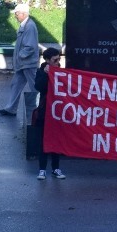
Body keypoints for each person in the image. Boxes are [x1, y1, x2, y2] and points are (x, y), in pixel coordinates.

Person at [0, 3, 40, 117]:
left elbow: (30, 46)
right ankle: (11, 108)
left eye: (16, 13)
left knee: (34, 86)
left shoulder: (29, 26)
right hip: (24, 64)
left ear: (23, 14)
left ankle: (41, 107)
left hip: (28, 63)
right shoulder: (25, 25)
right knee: (16, 85)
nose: (15, 16)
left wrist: (20, 56)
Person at [33, 47, 66, 180]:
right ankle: (42, 169)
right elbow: (39, 87)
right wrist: (47, 74)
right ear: (47, 60)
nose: (58, 62)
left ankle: (55, 168)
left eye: (59, 59)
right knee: (44, 141)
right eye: (55, 60)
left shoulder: (60, 71)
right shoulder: (41, 72)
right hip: (45, 111)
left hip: (58, 111)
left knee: (56, 140)